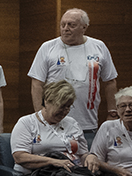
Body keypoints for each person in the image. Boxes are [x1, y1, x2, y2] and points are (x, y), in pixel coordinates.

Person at [11, 80, 106, 176]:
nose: (65, 111)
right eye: (62, 106)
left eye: (69, 106)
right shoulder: (27, 123)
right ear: (47, 102)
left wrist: (90, 157)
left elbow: (83, 153)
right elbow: (20, 157)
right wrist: (55, 162)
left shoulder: (72, 123)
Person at [28, 8, 118, 140]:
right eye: (63, 24)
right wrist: (40, 114)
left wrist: (113, 112)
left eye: (71, 25)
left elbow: (110, 81)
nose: (65, 28)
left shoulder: (99, 47)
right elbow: (37, 84)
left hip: (87, 122)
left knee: (87, 158)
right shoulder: (48, 47)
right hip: (54, 121)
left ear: (84, 27)